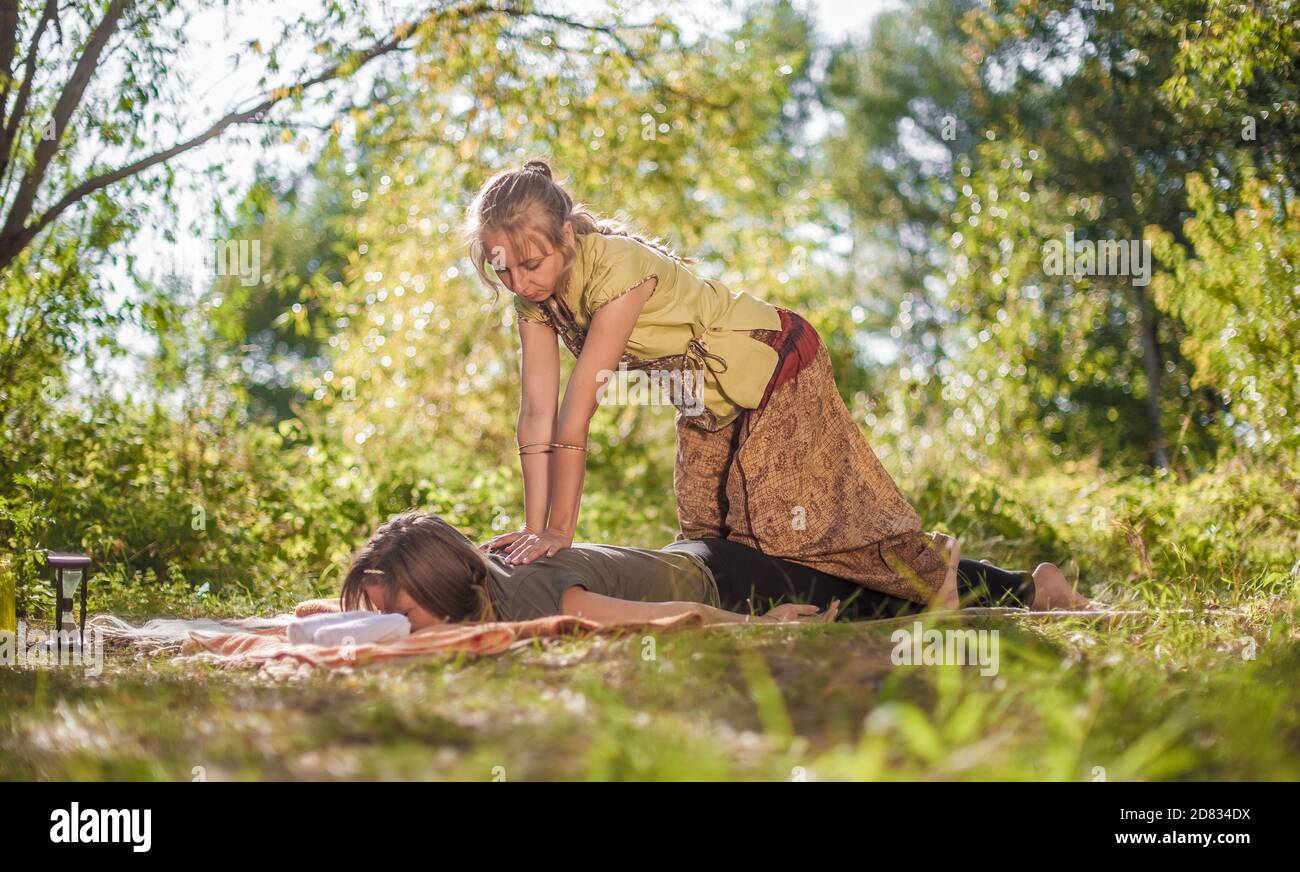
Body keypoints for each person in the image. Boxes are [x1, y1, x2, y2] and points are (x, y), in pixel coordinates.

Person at [462, 158, 953, 608]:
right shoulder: (534, 300)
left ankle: (943, 575)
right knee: (710, 541)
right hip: (703, 401)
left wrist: (559, 531)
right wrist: (533, 528)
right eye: (504, 270)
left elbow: (576, 410)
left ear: (566, 236)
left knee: (787, 529)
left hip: (772, 364)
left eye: (532, 265)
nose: (520, 283)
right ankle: (803, 613)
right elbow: (536, 414)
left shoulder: (616, 267)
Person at [340, 510, 1089, 632]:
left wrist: (760, 627)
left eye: (401, 613)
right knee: (856, 582)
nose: (392, 626)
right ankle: (1028, 586)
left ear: (443, 589)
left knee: (863, 600)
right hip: (696, 558)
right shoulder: (485, 575)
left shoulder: (544, 600)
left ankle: (1032, 589)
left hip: (725, 584)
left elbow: (681, 619)